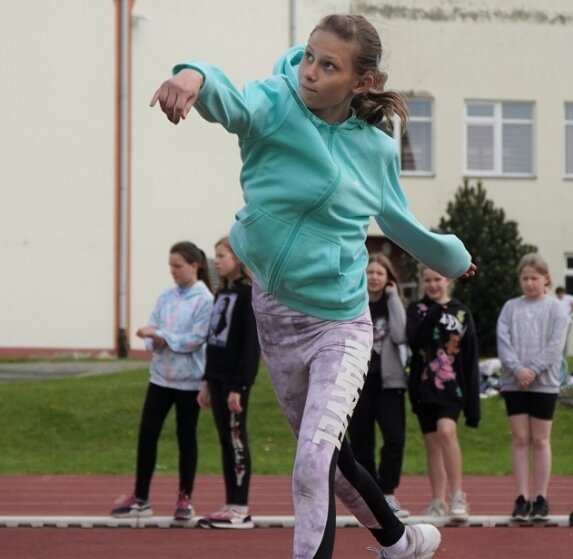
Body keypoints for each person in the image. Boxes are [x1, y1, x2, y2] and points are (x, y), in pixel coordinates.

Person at [150, 13, 476, 559]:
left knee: (312, 458)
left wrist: (452, 255)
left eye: (329, 66)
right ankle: (401, 542)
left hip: (339, 323)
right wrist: (192, 77)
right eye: (308, 57)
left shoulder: (373, 147)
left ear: (361, 82)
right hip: (275, 315)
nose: (310, 73)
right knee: (330, 458)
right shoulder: (276, 105)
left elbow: (396, 220)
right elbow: (229, 99)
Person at [111, 241, 214, 520]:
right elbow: (153, 327)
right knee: (147, 434)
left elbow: (195, 339)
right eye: (170, 266)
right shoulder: (166, 296)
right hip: (160, 378)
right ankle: (141, 497)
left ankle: (185, 498)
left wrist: (163, 337)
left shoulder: (205, 300)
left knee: (186, 437)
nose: (173, 272)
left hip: (189, 380)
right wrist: (153, 340)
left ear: (195, 266)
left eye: (178, 266)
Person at [496, 253, 568, 521]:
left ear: (546, 279)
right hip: (514, 383)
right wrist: (517, 370)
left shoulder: (556, 309)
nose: (528, 283)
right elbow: (503, 342)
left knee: (540, 440)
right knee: (520, 439)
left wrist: (533, 370)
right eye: (524, 278)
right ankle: (521, 497)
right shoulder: (510, 308)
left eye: (534, 278)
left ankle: (541, 497)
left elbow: (555, 346)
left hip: (544, 384)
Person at [406, 265, 480, 521]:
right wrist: (435, 309)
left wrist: (473, 404)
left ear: (447, 280)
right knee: (432, 444)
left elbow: (470, 356)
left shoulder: (461, 313)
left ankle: (458, 495)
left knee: (447, 432)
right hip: (423, 387)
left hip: (452, 386)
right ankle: (438, 500)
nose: (433, 285)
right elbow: (416, 340)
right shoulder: (417, 310)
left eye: (437, 279)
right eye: (427, 280)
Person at [197, 236, 261, 529]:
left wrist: (240, 385)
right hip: (217, 378)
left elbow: (250, 347)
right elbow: (213, 341)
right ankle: (231, 501)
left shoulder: (249, 296)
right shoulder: (222, 294)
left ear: (238, 258)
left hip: (235, 383)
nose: (217, 262)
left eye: (221, 256)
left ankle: (241, 506)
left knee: (236, 440)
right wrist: (207, 381)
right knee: (225, 440)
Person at [347, 254, 410, 518]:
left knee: (394, 438)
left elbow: (399, 334)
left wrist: (394, 297)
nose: (374, 277)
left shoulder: (393, 304)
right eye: (370, 272)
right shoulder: (355, 303)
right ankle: (370, 495)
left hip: (389, 383)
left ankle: (387, 491)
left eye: (379, 273)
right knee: (361, 441)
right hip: (358, 382)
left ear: (388, 278)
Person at [554, 286, 573, 356]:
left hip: (567, 321)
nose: (560, 295)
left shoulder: (569, 298)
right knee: (558, 337)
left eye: (561, 294)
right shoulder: (555, 300)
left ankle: (564, 354)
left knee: (565, 338)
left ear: (563, 293)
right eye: (558, 294)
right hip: (558, 322)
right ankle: (558, 353)